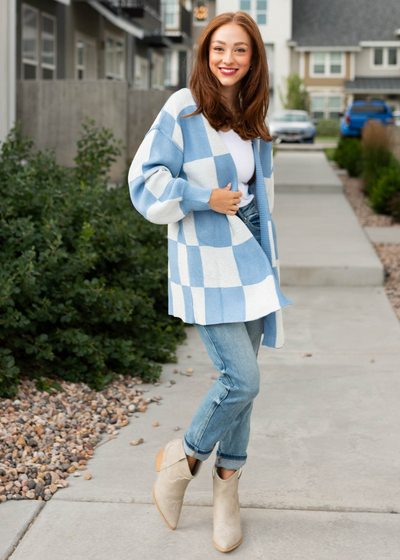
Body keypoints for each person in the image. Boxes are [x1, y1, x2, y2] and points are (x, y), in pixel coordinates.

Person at [128, 10, 292, 553]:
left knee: (244, 392)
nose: (229, 59)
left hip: (251, 256)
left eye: (240, 50)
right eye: (220, 48)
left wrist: (270, 254)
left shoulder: (252, 110)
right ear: (205, 51)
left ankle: (228, 491)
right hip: (206, 258)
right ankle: (182, 461)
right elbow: (145, 180)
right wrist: (203, 197)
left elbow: (261, 194)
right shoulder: (183, 107)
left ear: (254, 59)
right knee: (241, 380)